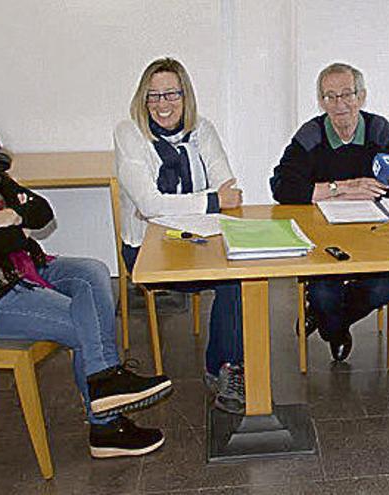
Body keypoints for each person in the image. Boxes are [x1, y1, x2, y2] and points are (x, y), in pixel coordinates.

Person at [0, 102, 172, 458]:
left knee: (93, 272)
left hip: (23, 272)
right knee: (85, 321)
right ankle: (105, 422)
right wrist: (15, 227)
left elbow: (41, 212)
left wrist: (9, 216)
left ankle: (104, 389)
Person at [114, 57, 245, 414]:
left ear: (185, 96)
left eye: (171, 93)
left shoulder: (203, 129)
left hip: (198, 240)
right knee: (229, 278)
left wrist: (168, 207)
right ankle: (226, 365)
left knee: (236, 277)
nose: (162, 104)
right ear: (143, 100)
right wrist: (209, 202)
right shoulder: (129, 134)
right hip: (146, 249)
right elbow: (150, 203)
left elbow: (227, 189)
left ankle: (225, 368)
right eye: (153, 96)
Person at [270, 62, 389, 362]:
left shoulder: (379, 130)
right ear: (321, 101)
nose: (339, 105)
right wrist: (340, 188)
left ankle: (328, 321)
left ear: (361, 96)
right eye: (329, 97)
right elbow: (282, 186)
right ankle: (335, 329)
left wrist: (375, 189)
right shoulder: (311, 133)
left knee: (381, 289)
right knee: (324, 293)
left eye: (346, 95)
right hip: (325, 237)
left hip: (373, 238)